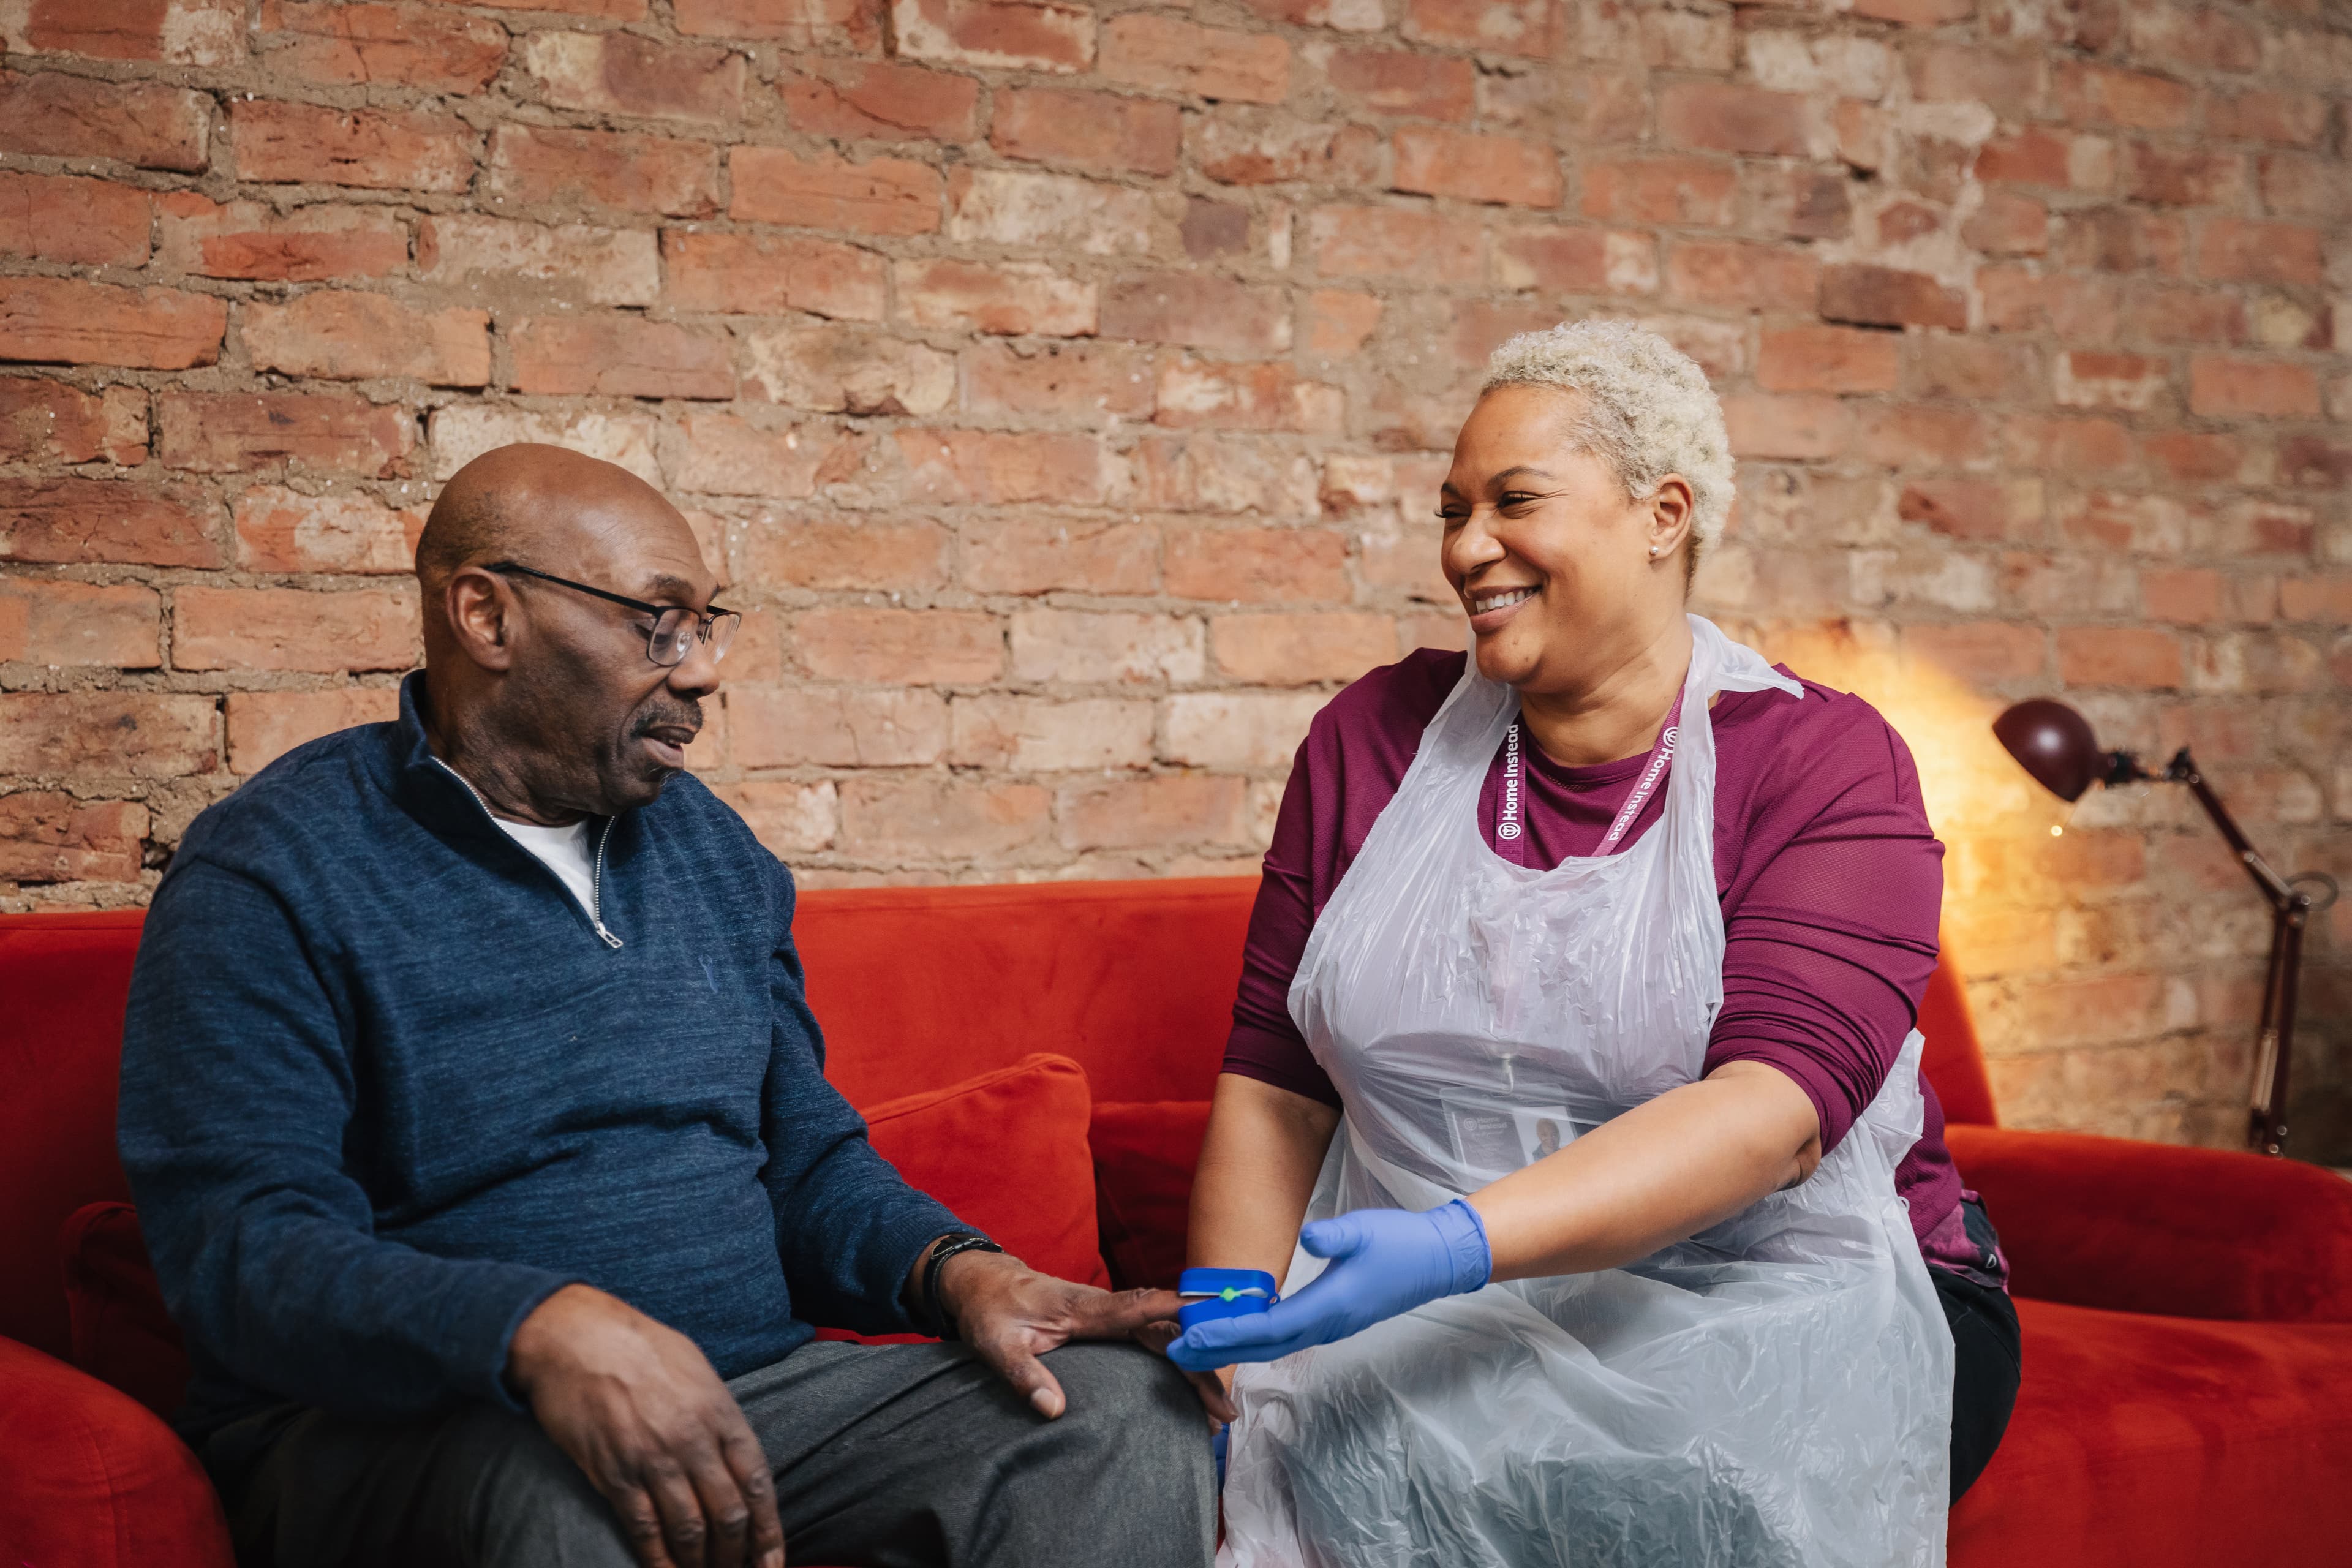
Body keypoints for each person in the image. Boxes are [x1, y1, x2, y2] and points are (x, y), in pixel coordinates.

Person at [118, 445, 1215, 1568]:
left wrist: (963, 1273)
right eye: (657, 626)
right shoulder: (276, 871)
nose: (699, 674)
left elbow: (806, 1162)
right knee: (560, 1492)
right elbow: (240, 1251)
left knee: (1119, 1414)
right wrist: (537, 1332)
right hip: (413, 1437)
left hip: (745, 1399)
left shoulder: (710, 853)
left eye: (704, 627)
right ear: (488, 618)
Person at [1167, 322, 2019, 1566]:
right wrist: (1233, 1301)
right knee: (1292, 1461)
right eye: (1453, 508)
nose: (1467, 548)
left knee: (1642, 1498)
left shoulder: (1821, 761)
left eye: (1515, 501)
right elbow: (1278, 1075)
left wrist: (1460, 1242)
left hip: (1804, 1296)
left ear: (1662, 513)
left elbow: (1774, 1114)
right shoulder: (1372, 740)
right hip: (1469, 1308)